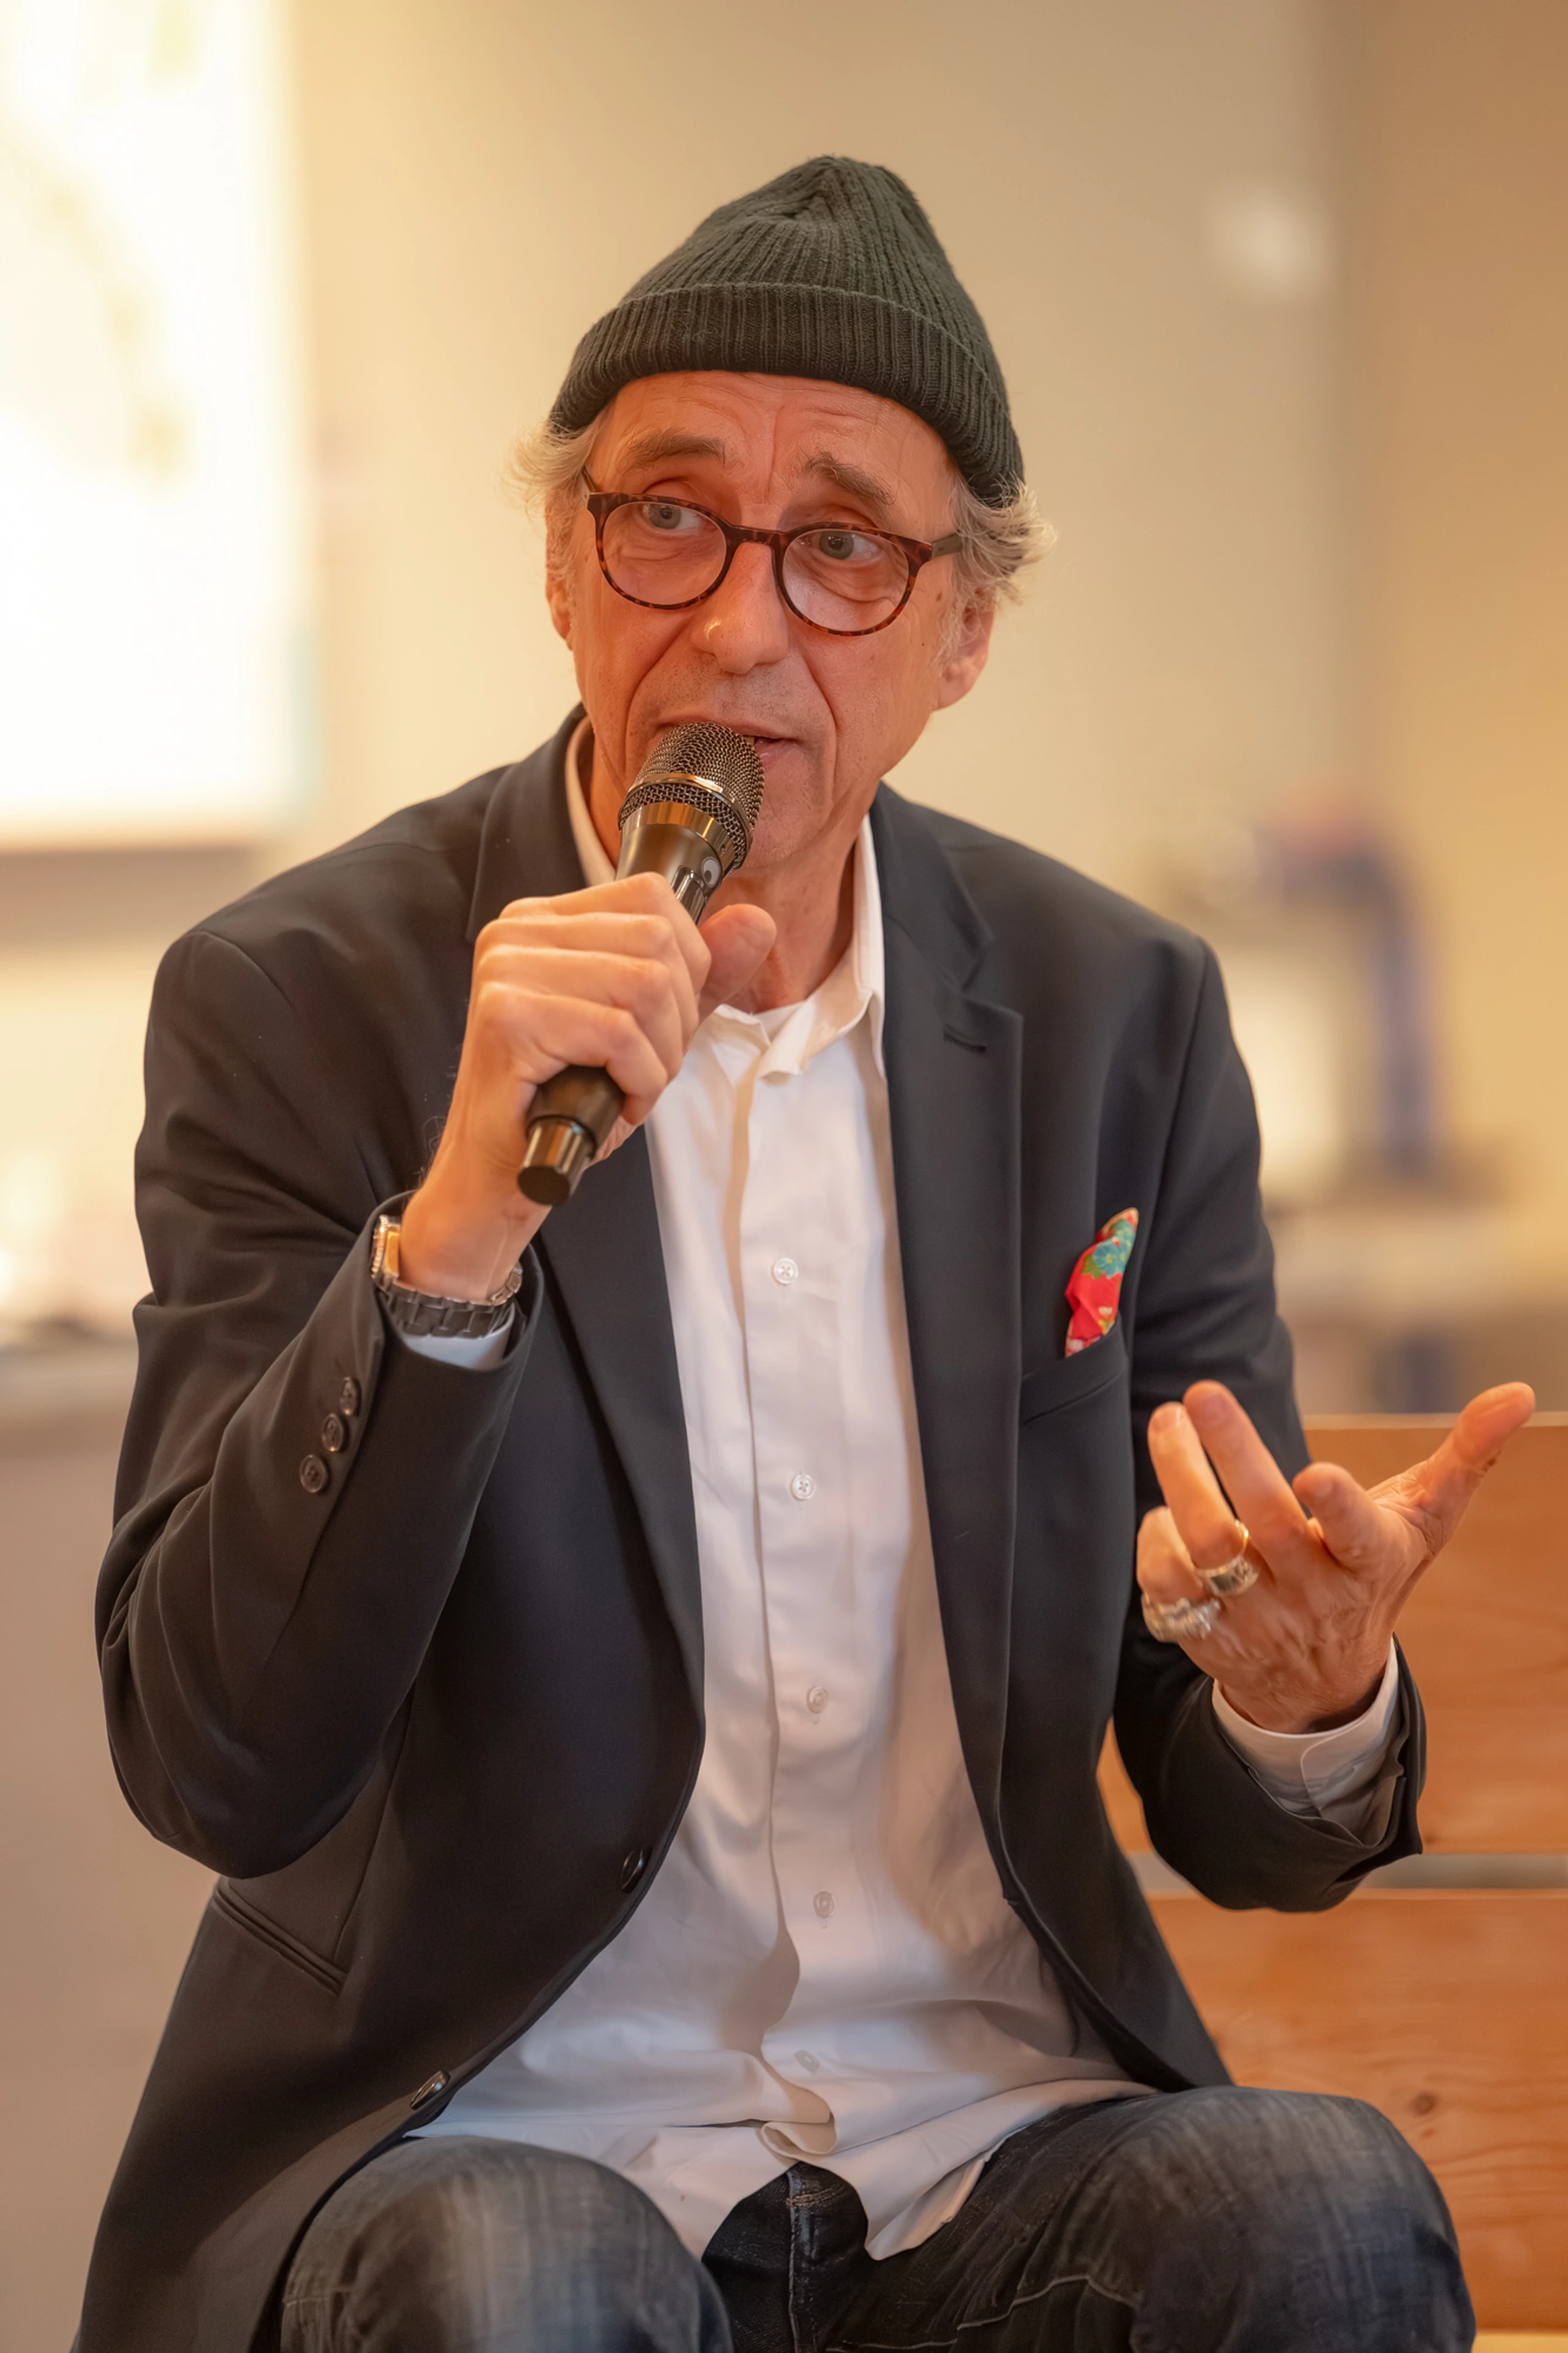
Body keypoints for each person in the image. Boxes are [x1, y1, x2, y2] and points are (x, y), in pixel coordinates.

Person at [81, 157, 1531, 2353]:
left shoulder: (1115, 1017)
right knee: (524, 2278)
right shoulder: (305, 999)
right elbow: (218, 1761)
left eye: (843, 546)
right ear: (564, 565)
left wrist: (1301, 1693)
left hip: (984, 2144)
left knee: (1318, 2210)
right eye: (671, 518)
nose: (743, 627)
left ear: (963, 637)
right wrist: (454, 1233)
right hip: (497, 2133)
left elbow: (1241, 1809)